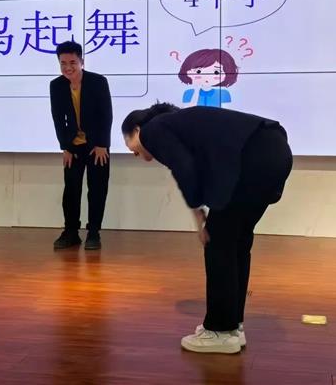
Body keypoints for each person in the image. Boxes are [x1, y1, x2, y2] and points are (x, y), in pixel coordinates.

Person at [122, 103, 293, 354]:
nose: (135, 154)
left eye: (130, 145)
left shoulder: (152, 130)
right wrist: (200, 210)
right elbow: (195, 167)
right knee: (236, 241)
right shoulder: (182, 126)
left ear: (137, 130)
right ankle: (233, 326)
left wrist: (197, 213)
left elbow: (183, 168)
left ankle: (220, 331)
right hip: (275, 150)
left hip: (252, 157)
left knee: (218, 243)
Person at [50, 41, 113, 251]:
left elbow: (106, 115)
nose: (68, 67)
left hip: (97, 146)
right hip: (73, 147)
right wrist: (65, 147)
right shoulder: (56, 85)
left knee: (97, 190)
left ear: (81, 62)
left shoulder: (98, 82)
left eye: (72, 62)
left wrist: (103, 144)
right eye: (63, 63)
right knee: (71, 190)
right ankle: (71, 232)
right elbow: (58, 119)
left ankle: (93, 232)